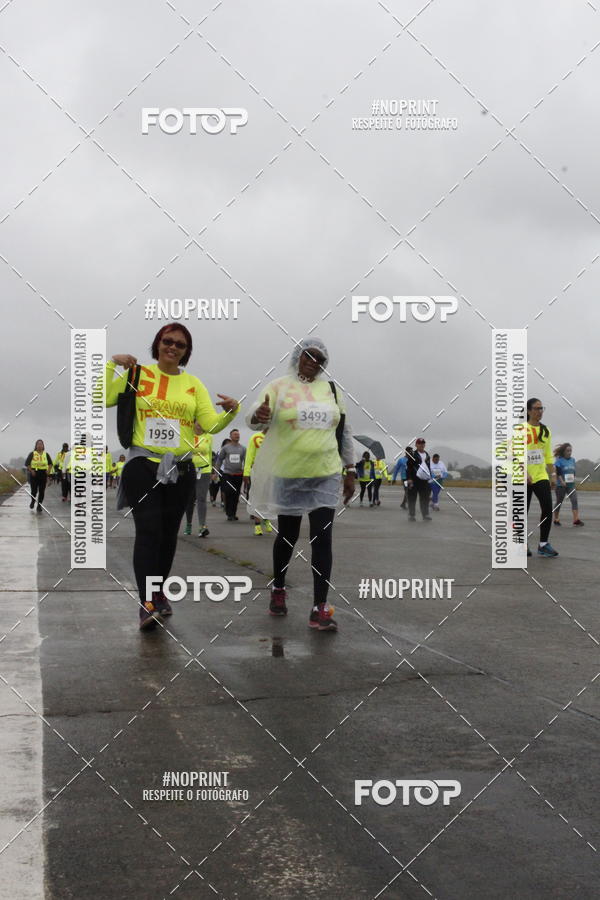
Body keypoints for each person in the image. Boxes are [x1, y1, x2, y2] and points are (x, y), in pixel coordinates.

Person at [104, 323, 239, 630]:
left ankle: (158, 593)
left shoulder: (193, 384)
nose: (173, 347)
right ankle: (147, 603)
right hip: (143, 465)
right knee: (148, 531)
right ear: (158, 344)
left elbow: (210, 424)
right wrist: (112, 363)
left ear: (186, 351)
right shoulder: (138, 374)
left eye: (180, 344)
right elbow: (100, 397)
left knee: (167, 536)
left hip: (181, 469)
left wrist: (232, 411)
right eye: (168, 341)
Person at [246, 337, 356, 631]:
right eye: (309, 356)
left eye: (320, 358)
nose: (313, 362)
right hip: (289, 474)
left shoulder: (331, 390)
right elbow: (254, 418)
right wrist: (258, 415)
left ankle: (320, 607)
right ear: (298, 357)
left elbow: (344, 432)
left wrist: (350, 469)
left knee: (322, 538)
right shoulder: (279, 387)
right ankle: (278, 588)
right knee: (288, 535)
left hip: (325, 473)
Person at [526, 398, 558, 557]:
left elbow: (548, 455)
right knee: (521, 511)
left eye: (541, 408)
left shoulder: (546, 431)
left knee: (547, 507)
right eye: (536, 408)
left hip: (540, 476)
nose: (540, 411)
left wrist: (553, 474)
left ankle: (543, 544)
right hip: (522, 476)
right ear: (528, 411)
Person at [183, 424, 212, 537]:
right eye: (198, 423)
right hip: (190, 470)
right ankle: (188, 524)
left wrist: (212, 470)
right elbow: (186, 450)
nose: (200, 425)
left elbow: (209, 453)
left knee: (202, 498)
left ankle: (202, 526)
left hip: (204, 470)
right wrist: (199, 450)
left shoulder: (208, 436)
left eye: (202, 423)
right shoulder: (187, 435)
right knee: (190, 499)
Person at [242, 429, 273, 535]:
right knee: (257, 498)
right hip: (257, 472)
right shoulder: (255, 437)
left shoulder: (275, 438)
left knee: (268, 498)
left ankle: (267, 519)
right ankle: (257, 525)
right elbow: (249, 455)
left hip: (270, 472)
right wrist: (246, 472)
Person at [216, 429, 246, 521]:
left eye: (238, 434)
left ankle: (233, 513)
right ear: (231, 436)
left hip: (238, 474)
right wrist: (216, 472)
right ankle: (229, 513)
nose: (237, 436)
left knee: (236, 495)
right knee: (229, 492)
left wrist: (246, 472)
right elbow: (219, 459)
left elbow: (246, 461)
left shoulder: (243, 448)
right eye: (235, 434)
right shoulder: (226, 448)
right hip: (228, 474)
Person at [553, 443, 583, 527]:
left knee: (574, 500)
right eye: (567, 451)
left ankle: (576, 520)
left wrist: (574, 478)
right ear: (563, 451)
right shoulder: (559, 461)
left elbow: (573, 471)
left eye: (570, 451)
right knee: (559, 502)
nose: (569, 452)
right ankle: (556, 519)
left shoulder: (572, 460)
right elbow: (558, 472)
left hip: (571, 485)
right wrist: (562, 481)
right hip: (561, 485)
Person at [406, 438, 432, 521]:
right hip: (414, 479)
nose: (421, 445)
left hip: (424, 480)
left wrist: (430, 478)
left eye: (423, 443)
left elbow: (428, 467)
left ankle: (425, 514)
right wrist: (409, 478)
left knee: (425, 498)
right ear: (416, 445)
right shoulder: (413, 454)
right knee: (412, 498)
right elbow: (409, 467)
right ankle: (412, 515)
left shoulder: (427, 455)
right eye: (420, 443)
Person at [25, 440, 52, 512]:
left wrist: (48, 471)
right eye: (38, 444)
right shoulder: (32, 454)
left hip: (43, 474)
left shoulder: (46, 454)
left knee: (41, 491)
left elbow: (50, 464)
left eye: (41, 444)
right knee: (34, 491)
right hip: (34, 473)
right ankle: (33, 501)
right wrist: (31, 470)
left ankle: (39, 505)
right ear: (36, 446)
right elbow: (27, 463)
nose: (40, 445)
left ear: (43, 446)